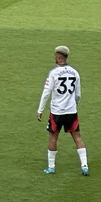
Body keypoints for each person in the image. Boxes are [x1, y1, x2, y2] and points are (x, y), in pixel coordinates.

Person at [36, 45, 88, 176]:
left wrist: (40, 109)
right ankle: (84, 166)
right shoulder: (75, 72)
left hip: (57, 112)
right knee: (77, 137)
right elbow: (78, 94)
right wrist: (74, 105)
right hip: (71, 111)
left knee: (53, 137)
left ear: (59, 57)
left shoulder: (53, 73)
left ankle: (51, 167)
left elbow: (46, 92)